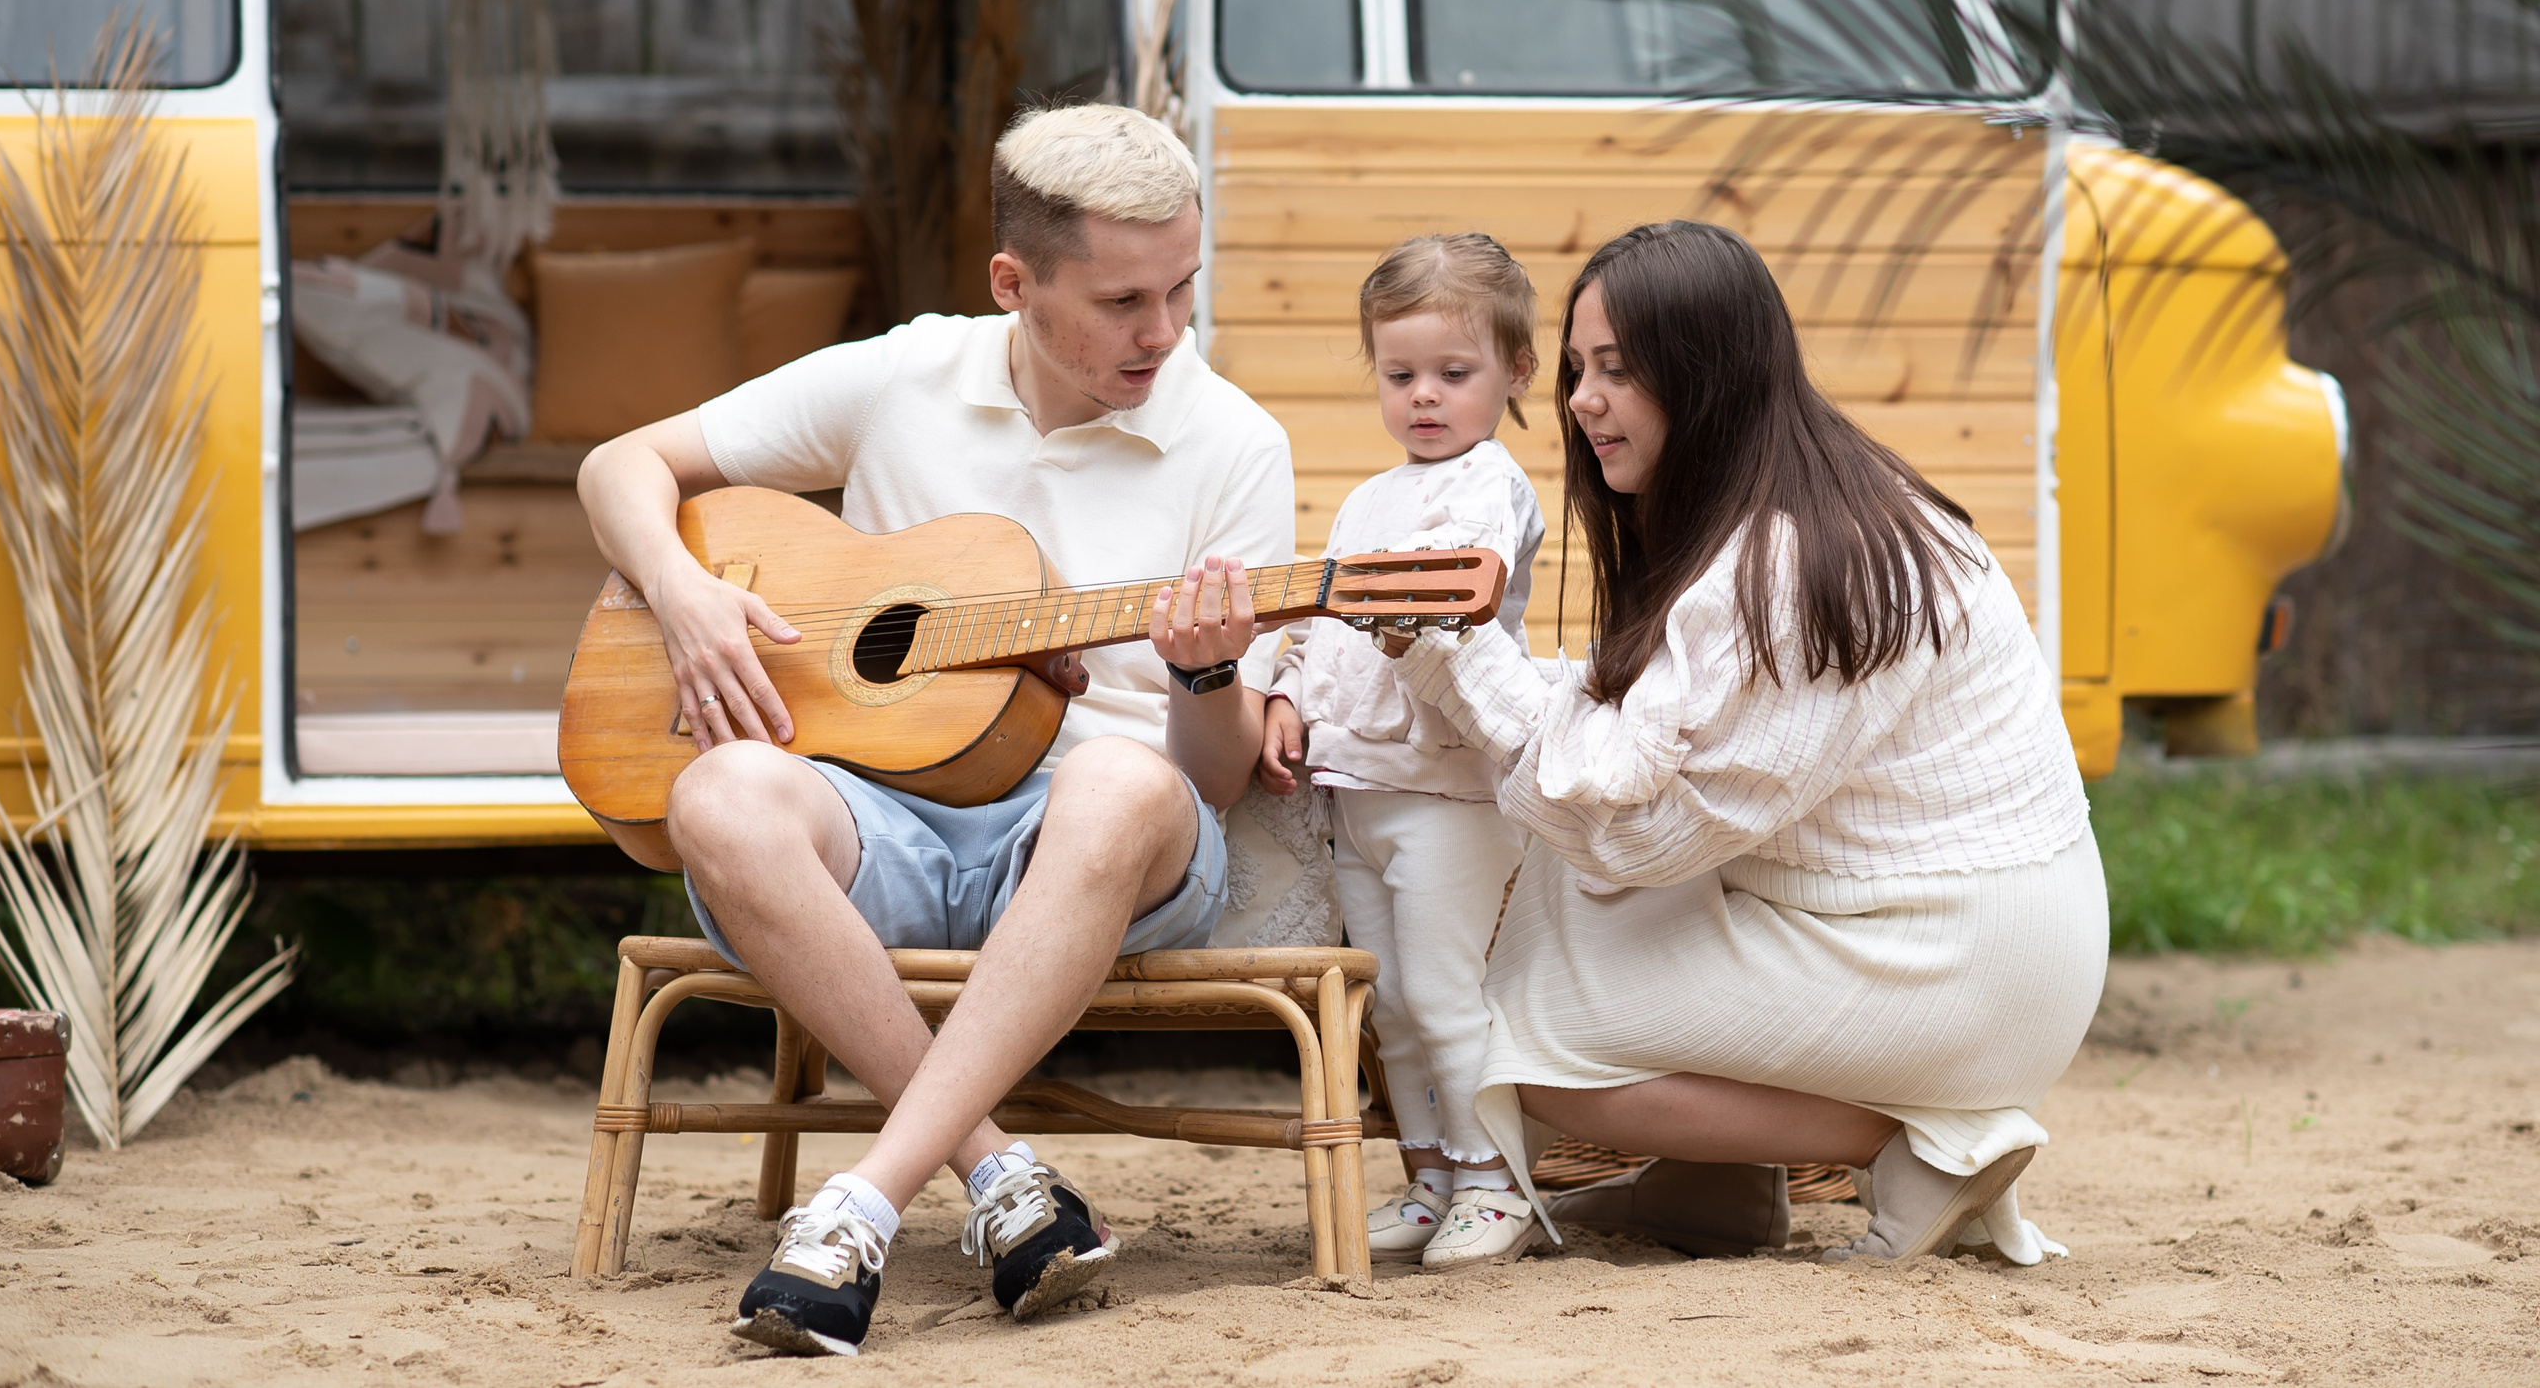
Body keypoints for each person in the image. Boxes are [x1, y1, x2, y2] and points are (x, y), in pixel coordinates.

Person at [574, 104, 1293, 1355]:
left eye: (1182, 287)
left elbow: (1216, 777)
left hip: (1105, 858)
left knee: (1117, 780)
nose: (1163, 331)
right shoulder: (906, 376)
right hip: (884, 824)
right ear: (1013, 283)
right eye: (1122, 299)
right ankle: (1000, 1173)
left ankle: (860, 1202)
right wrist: (686, 599)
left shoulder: (1230, 441)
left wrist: (1207, 670)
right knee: (719, 794)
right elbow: (619, 465)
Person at [1379, 219, 2109, 1266]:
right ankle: (1709, 1188)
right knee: (1561, 891)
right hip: (1943, 918)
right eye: (1578, 368)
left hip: (1963, 956)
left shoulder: (1803, 555)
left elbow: (1641, 834)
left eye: (1619, 371)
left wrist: (1455, 658)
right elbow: (1637, 734)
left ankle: (1927, 1143)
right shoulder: (1788, 509)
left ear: (1705, 376)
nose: (1581, 399)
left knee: (1525, 1041)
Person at [1256, 234, 1547, 1270]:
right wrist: (1287, 691)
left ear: (1516, 372)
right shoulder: (1366, 497)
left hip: (1447, 793)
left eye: (1453, 373)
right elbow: (1327, 625)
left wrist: (1401, 611)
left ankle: (1493, 1179)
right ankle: (1428, 1173)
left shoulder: (1488, 486)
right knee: (1391, 1006)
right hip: (1358, 787)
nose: (1424, 396)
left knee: (1441, 987)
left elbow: (1446, 594)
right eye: (1400, 373)